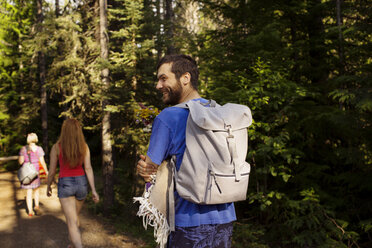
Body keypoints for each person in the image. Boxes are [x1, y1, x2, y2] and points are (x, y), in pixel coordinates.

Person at [137, 54, 236, 247]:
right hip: (226, 218)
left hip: (188, 223)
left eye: (163, 78)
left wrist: (144, 172)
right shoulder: (220, 112)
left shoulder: (168, 117)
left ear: (185, 78)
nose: (158, 85)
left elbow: (150, 173)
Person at [47, 118, 99, 248]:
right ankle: (72, 243)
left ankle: (78, 245)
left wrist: (48, 186)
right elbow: (88, 168)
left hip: (66, 184)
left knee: (71, 221)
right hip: (81, 183)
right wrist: (93, 190)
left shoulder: (56, 147)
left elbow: (52, 171)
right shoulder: (84, 147)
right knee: (75, 219)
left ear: (64, 131)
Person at [18, 133, 49, 217]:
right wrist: (46, 172)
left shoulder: (23, 149)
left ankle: (30, 211)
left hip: (27, 172)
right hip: (36, 172)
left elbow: (20, 162)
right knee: (36, 190)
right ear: (36, 139)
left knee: (28, 192)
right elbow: (42, 162)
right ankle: (37, 206)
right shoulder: (39, 149)